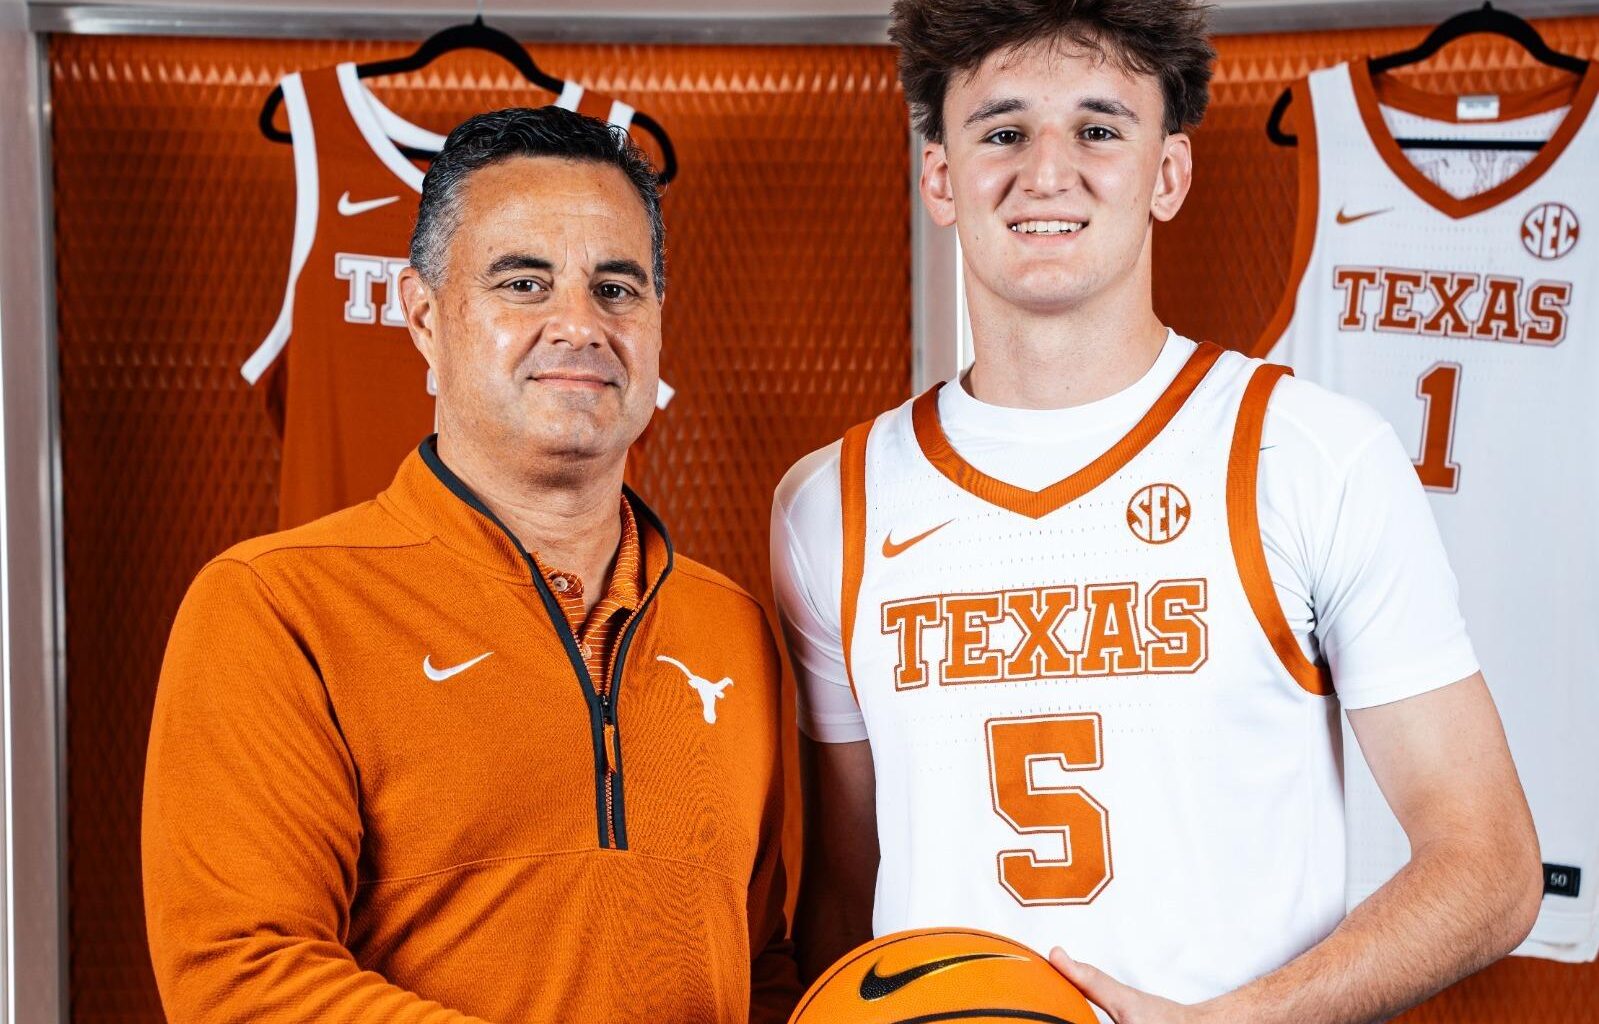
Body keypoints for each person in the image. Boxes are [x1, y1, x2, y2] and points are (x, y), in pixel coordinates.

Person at [771, 1, 1541, 1021]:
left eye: (1097, 128)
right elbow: (842, 900)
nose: (1047, 171)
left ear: (1167, 174)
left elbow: (1489, 864)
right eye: (1002, 131)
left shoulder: (1309, 455)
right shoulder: (830, 503)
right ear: (941, 178)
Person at [144, 106, 799, 1024]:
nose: (579, 325)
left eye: (618, 288)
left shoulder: (733, 628)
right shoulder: (273, 608)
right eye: (524, 283)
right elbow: (239, 979)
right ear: (423, 316)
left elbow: (762, 965)